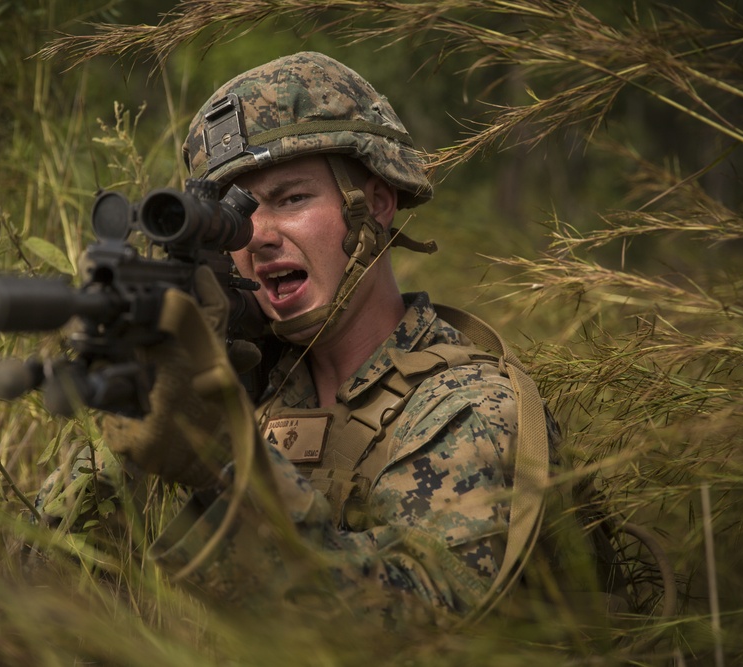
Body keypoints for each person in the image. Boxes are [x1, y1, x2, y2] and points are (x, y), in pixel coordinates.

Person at [32, 51, 556, 631]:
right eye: (236, 215)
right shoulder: (255, 383)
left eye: (291, 199)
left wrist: (221, 459)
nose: (259, 236)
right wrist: (138, 414)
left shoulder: (470, 408)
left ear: (375, 205)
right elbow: (45, 583)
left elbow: (408, 629)